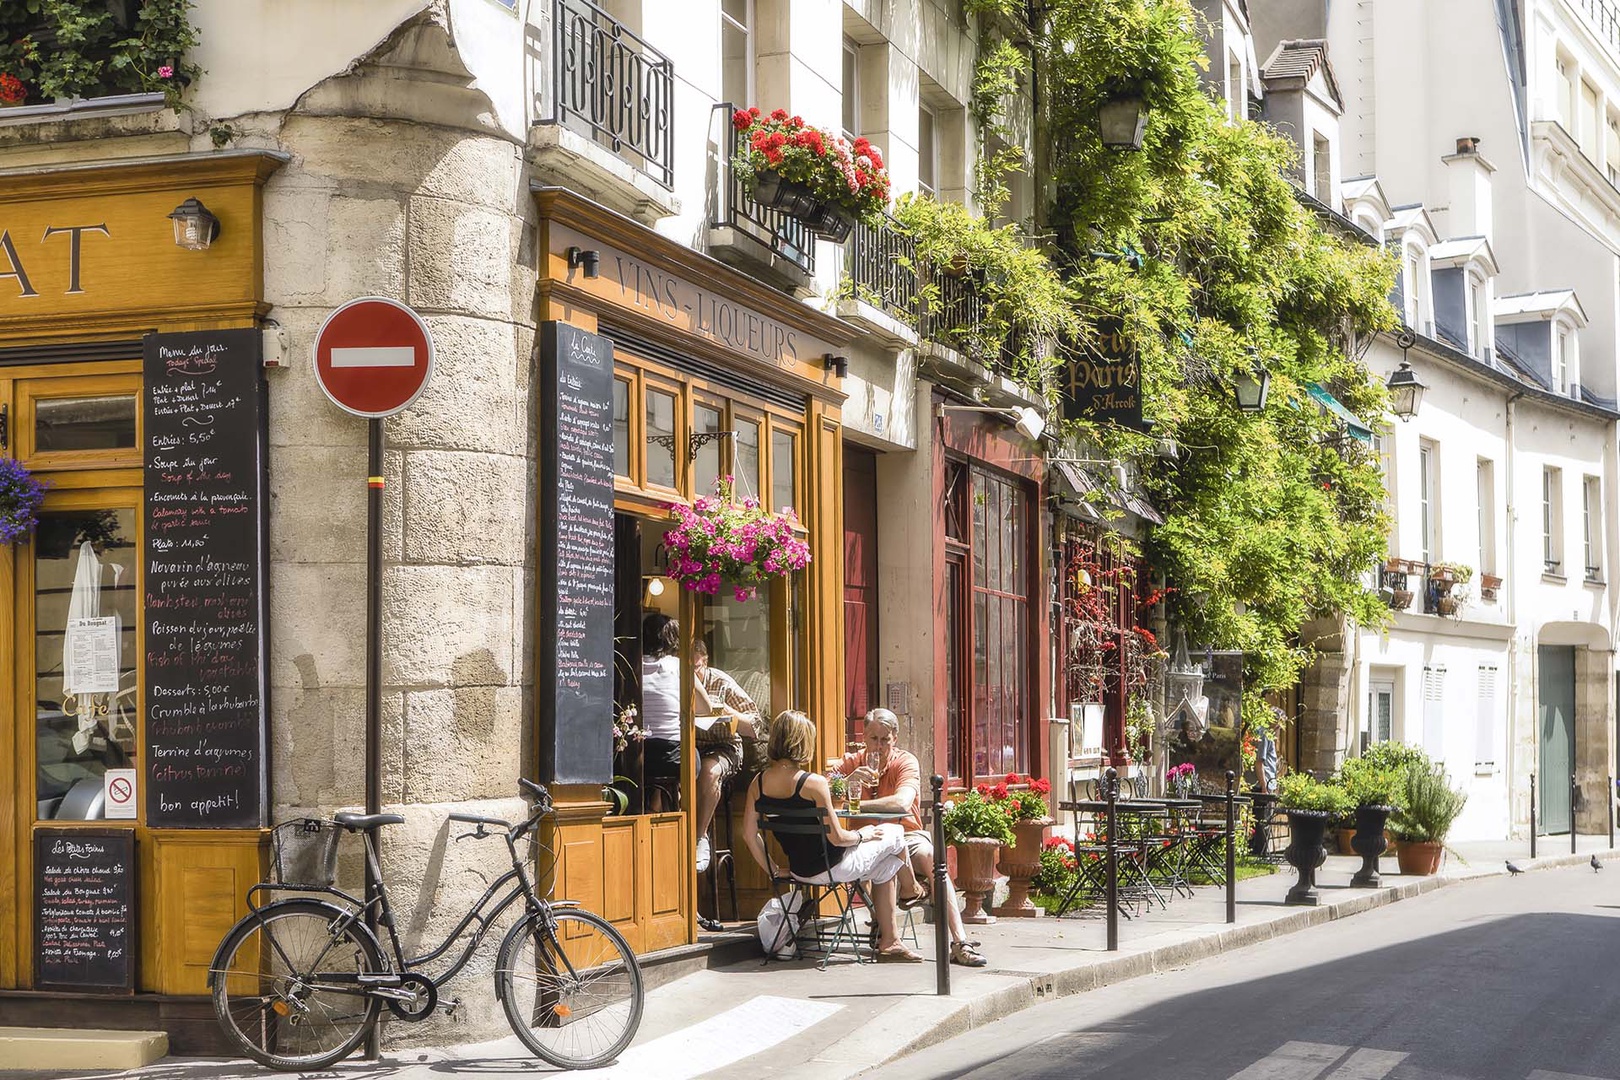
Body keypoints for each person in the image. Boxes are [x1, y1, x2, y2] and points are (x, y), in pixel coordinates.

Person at [742, 710, 925, 962]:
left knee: (886, 865)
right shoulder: (813, 783)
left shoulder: (758, 783)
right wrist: (862, 835)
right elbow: (838, 839)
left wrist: (773, 870)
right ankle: (911, 889)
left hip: (799, 871)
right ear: (804, 742)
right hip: (834, 867)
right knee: (895, 832)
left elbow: (749, 835)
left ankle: (889, 941)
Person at [837, 708, 988, 967]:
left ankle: (960, 942)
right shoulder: (852, 762)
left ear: (895, 738)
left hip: (908, 835)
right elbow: (820, 790)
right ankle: (907, 898)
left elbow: (902, 803)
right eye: (874, 739)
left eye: (885, 739)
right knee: (886, 854)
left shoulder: (905, 761)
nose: (879, 746)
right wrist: (847, 781)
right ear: (864, 737)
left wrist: (856, 808)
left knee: (933, 859)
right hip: (864, 838)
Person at [692, 638, 761, 884]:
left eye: (696, 669)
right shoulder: (677, 684)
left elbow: (755, 724)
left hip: (724, 746)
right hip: (691, 747)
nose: (693, 676)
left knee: (709, 770)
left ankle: (699, 838)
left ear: (705, 661)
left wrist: (724, 711)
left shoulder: (721, 682)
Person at [639, 614, 683, 813]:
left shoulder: (632, 665)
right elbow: (705, 707)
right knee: (696, 762)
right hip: (671, 754)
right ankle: (679, 814)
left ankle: (655, 802)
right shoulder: (676, 665)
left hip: (640, 754)